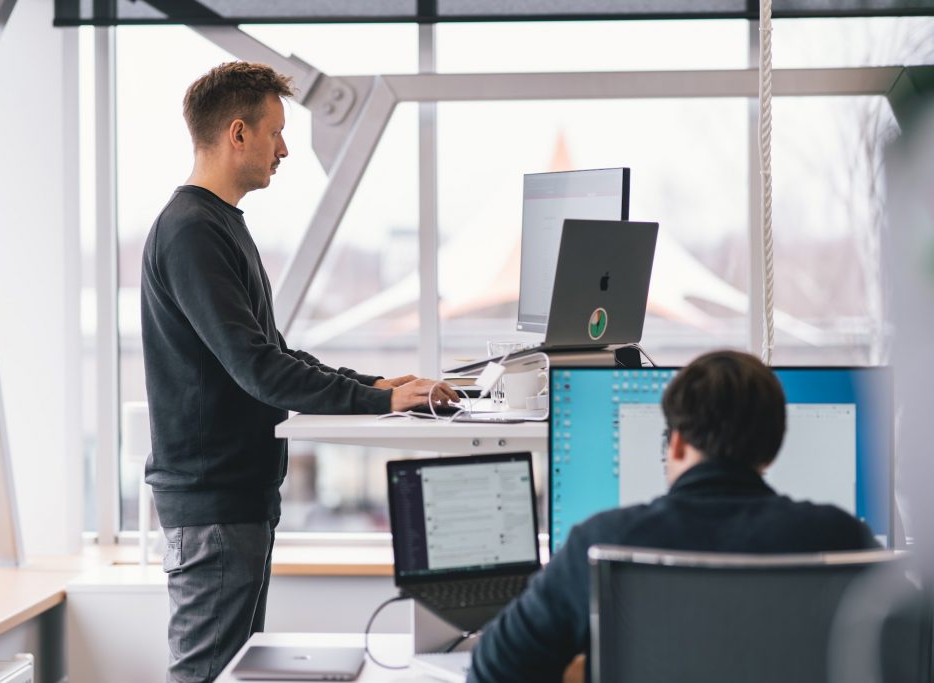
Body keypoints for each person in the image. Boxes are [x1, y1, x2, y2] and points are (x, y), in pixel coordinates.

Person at [140, 61, 457, 683]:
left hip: (236, 500)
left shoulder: (219, 224)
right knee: (207, 676)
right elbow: (259, 370)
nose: (284, 149)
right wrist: (380, 406)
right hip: (214, 505)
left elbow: (273, 351)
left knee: (233, 673)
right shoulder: (191, 233)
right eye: (275, 132)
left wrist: (372, 386)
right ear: (238, 133)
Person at [468, 350, 879, 683]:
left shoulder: (600, 541)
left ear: (677, 443)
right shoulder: (841, 539)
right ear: (771, 450)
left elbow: (494, 671)